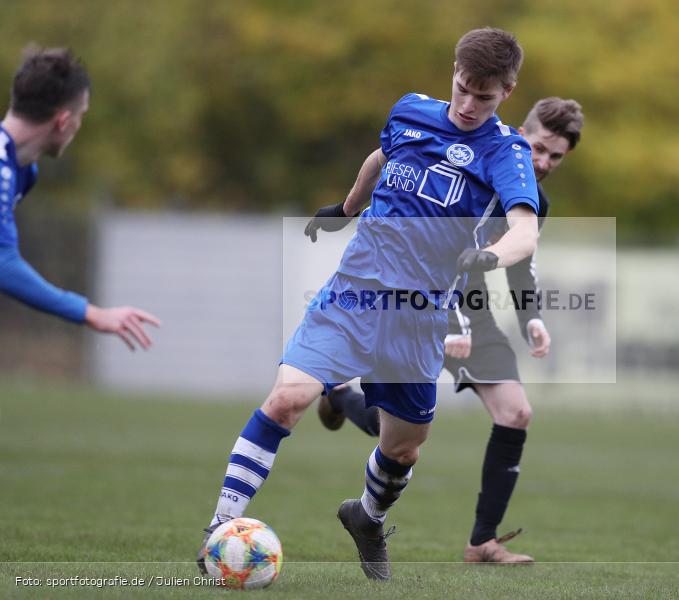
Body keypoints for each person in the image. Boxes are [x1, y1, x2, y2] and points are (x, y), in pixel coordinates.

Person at [197, 28, 540, 581]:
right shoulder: (409, 110)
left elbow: (525, 231)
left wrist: (491, 258)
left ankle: (367, 516)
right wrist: (347, 206)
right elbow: (382, 155)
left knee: (403, 449)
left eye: (486, 96)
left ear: (509, 90)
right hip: (353, 293)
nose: (470, 104)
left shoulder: (505, 150)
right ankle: (220, 527)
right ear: (452, 71)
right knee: (287, 399)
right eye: (463, 88)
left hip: (420, 317)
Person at [318, 97, 584, 563]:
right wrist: (347, 209)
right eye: (538, 147)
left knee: (516, 413)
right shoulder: (479, 160)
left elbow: (521, 259)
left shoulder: (533, 198)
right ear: (520, 130)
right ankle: (340, 395)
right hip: (421, 296)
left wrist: (532, 318)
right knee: (396, 432)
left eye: (556, 156)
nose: (543, 162)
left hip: (471, 307)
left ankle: (482, 541)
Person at [0, 46, 160, 350]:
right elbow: (2, 263)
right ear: (62, 121)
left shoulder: (21, 169)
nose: (79, 125)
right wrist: (90, 313)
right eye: (81, 116)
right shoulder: (3, 171)